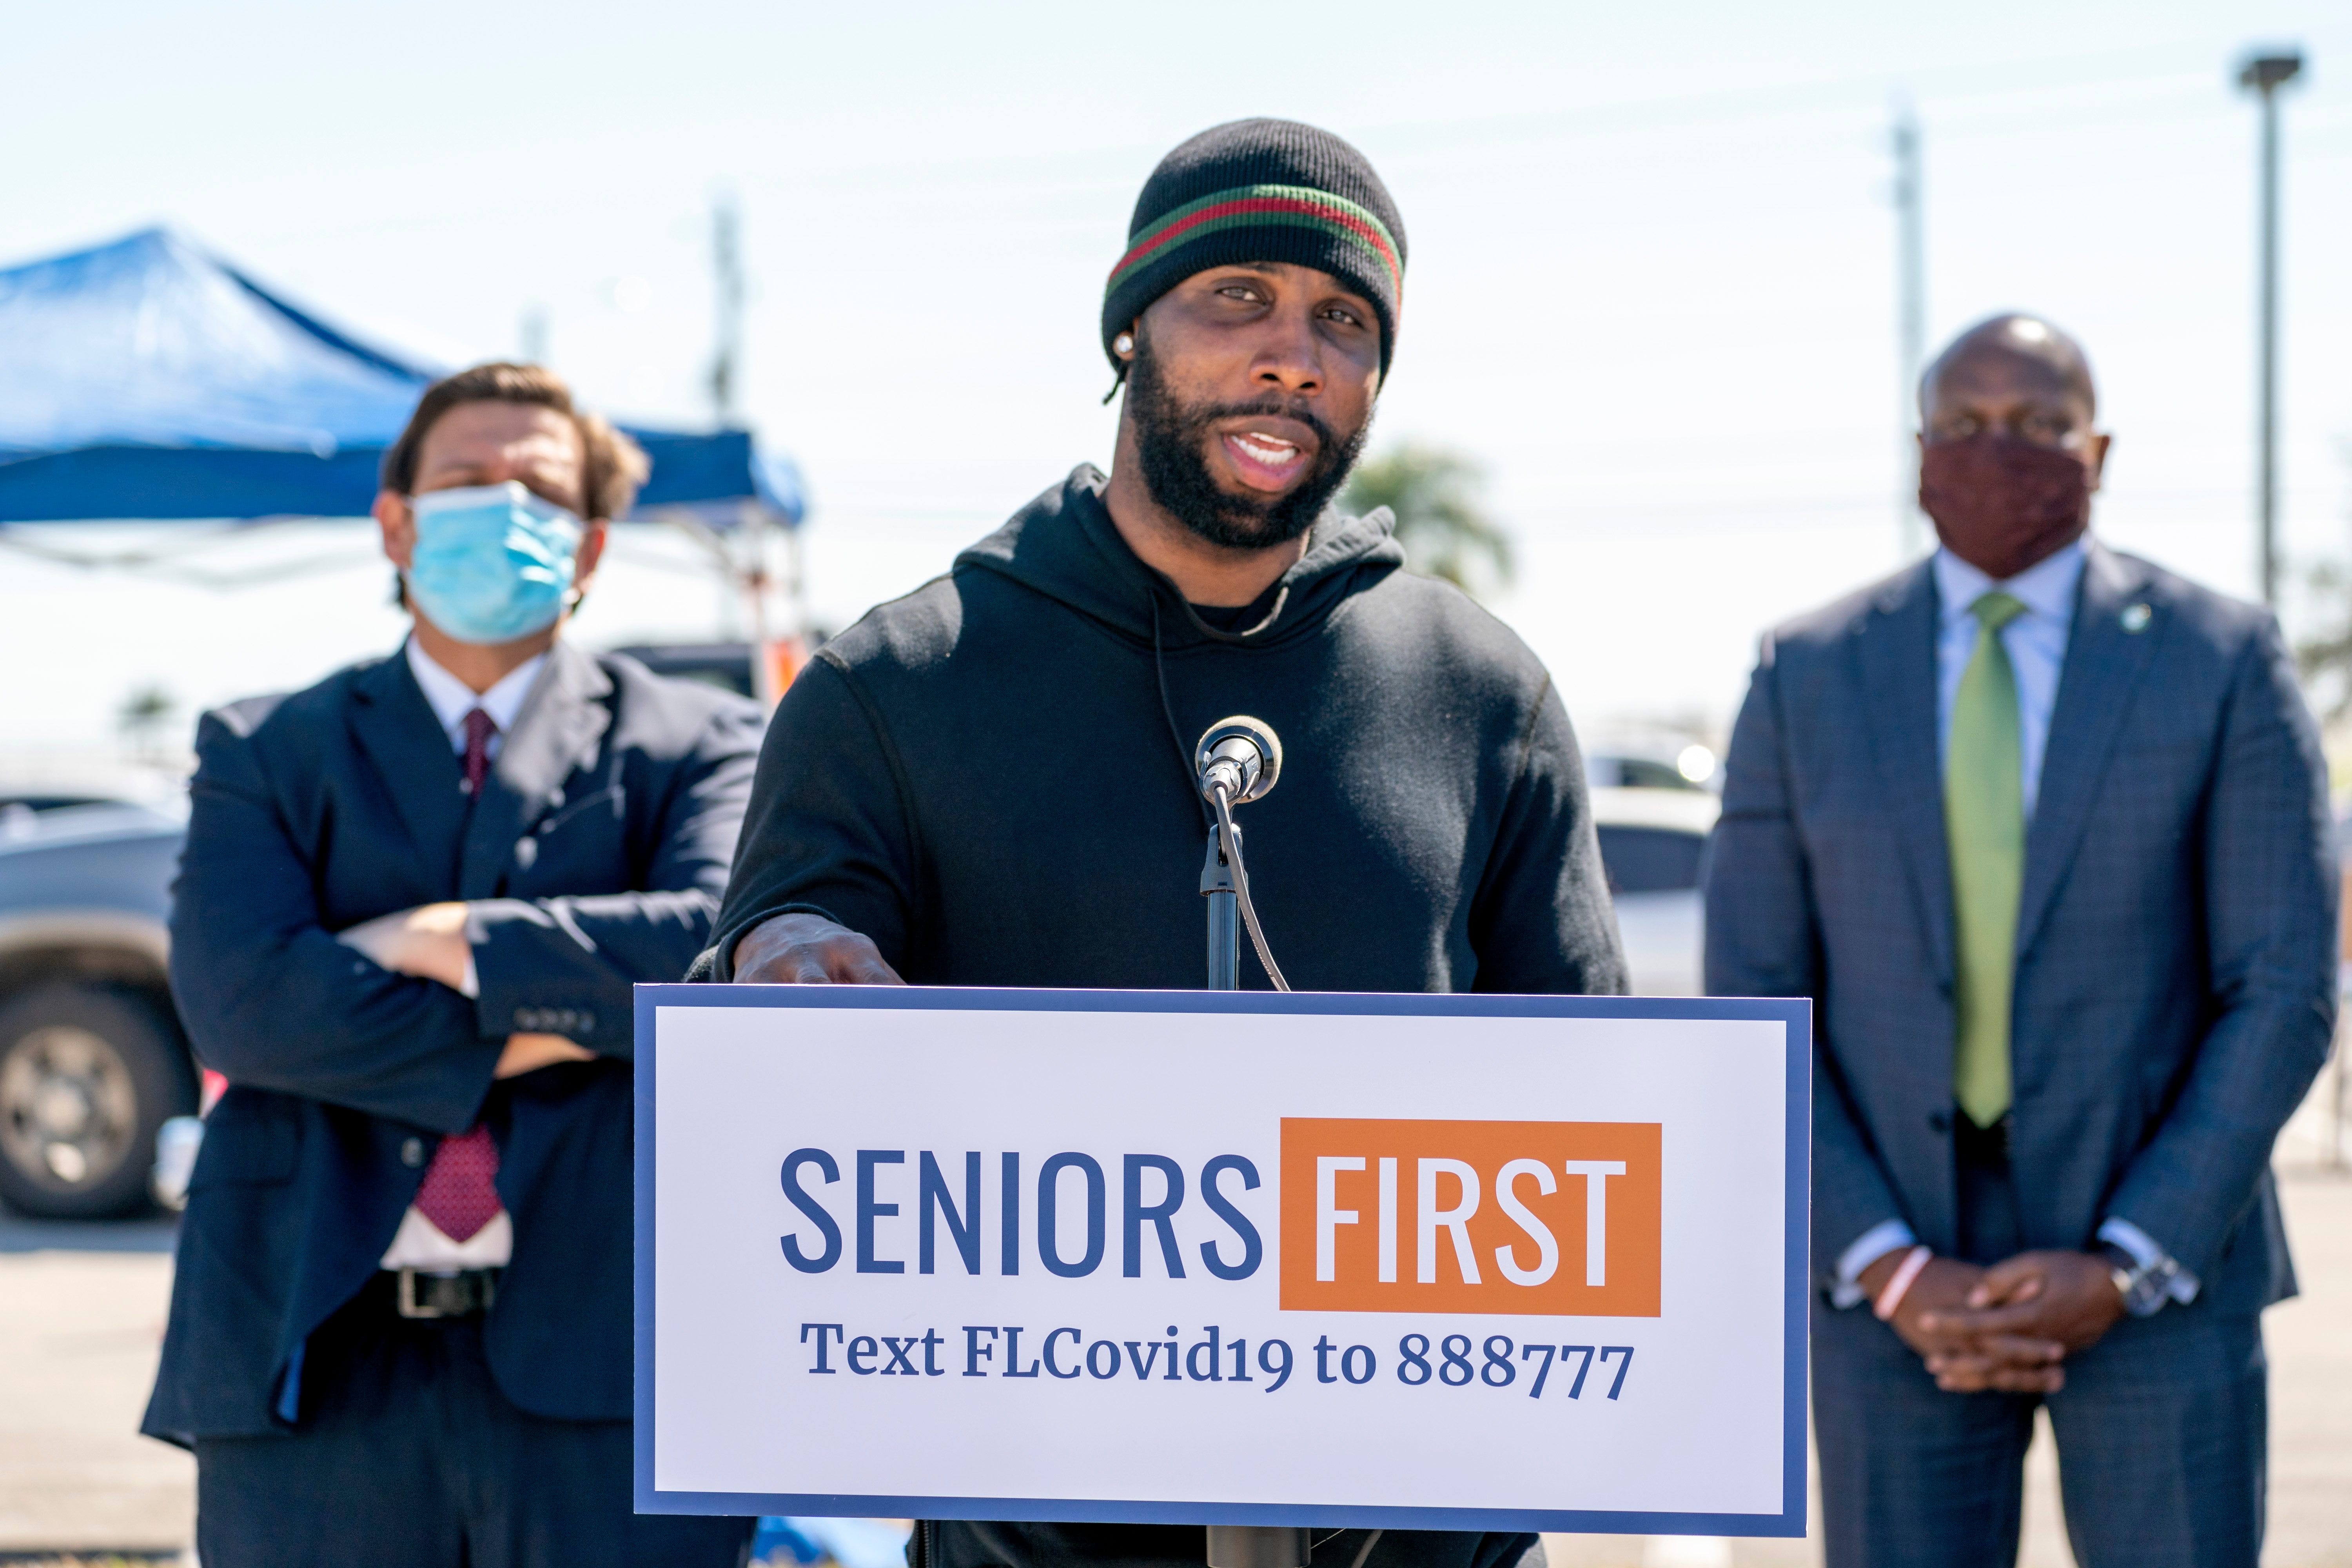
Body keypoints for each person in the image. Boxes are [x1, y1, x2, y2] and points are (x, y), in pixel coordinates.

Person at [699, 120, 1624, 1568]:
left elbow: (1595, 1086)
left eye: (1342, 322)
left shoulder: (1479, 687)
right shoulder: (903, 681)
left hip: (1424, 1527)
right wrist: (788, 954)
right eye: (1236, 300)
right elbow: (781, 965)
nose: (1291, 355)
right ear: (1132, 328)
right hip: (1033, 1531)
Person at [1705, 314, 2336, 1568]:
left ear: (2098, 448)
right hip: (1896, 1296)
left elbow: (2284, 987)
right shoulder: (1808, 670)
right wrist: (1884, 1264)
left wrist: (2130, 1257)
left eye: (2042, 425)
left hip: (2166, 1283)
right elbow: (1758, 997)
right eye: (1969, 425)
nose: (2004, 452)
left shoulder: (2223, 660)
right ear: (1920, 448)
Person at [142, 363, 763, 1568]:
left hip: (618, 1355)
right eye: (466, 481)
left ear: (587, 550)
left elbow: (712, 954)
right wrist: (580, 1010)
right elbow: (244, 1011)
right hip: (312, 1350)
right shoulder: (266, 747)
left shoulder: (702, 741)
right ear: (397, 522)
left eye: (533, 490)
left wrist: (441, 944)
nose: (500, 507)